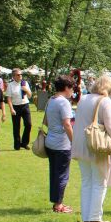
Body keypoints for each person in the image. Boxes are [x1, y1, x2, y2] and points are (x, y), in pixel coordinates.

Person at [71, 75, 111, 222]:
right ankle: (94, 218)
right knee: (100, 182)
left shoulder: (84, 99)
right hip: (96, 145)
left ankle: (87, 217)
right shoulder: (105, 101)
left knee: (86, 181)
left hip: (81, 143)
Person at [45, 75, 75, 214]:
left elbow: (45, 121)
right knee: (62, 176)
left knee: (54, 174)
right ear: (66, 88)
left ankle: (56, 202)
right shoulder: (64, 102)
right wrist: (74, 142)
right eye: (72, 88)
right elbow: (67, 124)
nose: (72, 91)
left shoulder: (51, 99)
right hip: (61, 145)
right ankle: (58, 205)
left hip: (50, 141)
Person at [5, 68, 33, 151]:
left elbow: (30, 96)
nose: (20, 76)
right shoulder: (10, 85)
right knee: (16, 127)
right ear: (13, 76)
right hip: (15, 107)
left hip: (25, 105)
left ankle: (24, 143)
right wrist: (11, 109)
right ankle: (17, 144)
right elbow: (9, 98)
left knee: (28, 124)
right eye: (18, 74)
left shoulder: (25, 83)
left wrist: (26, 90)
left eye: (21, 74)